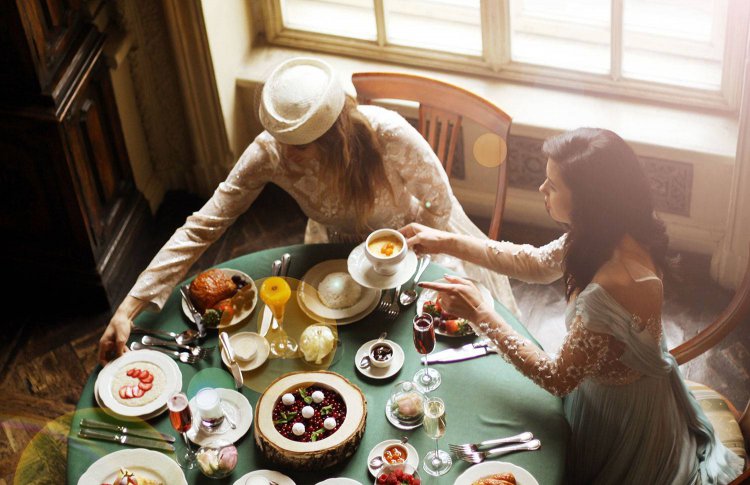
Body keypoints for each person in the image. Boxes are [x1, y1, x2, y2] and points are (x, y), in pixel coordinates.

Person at [98, 57, 518, 364]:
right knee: (333, 359)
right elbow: (202, 226)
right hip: (330, 257)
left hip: (413, 248)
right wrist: (127, 308)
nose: (282, 154)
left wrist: (401, 261)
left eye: (296, 146)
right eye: (277, 138)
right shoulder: (270, 152)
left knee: (441, 353)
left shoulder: (388, 134)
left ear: (334, 136)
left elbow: (440, 209)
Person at [402, 128, 743, 484]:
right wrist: (445, 240)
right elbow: (531, 262)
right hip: (601, 385)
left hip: (617, 418)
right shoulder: (605, 233)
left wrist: (480, 314)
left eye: (552, 184)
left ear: (588, 200)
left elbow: (557, 378)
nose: (541, 190)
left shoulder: (612, 283)